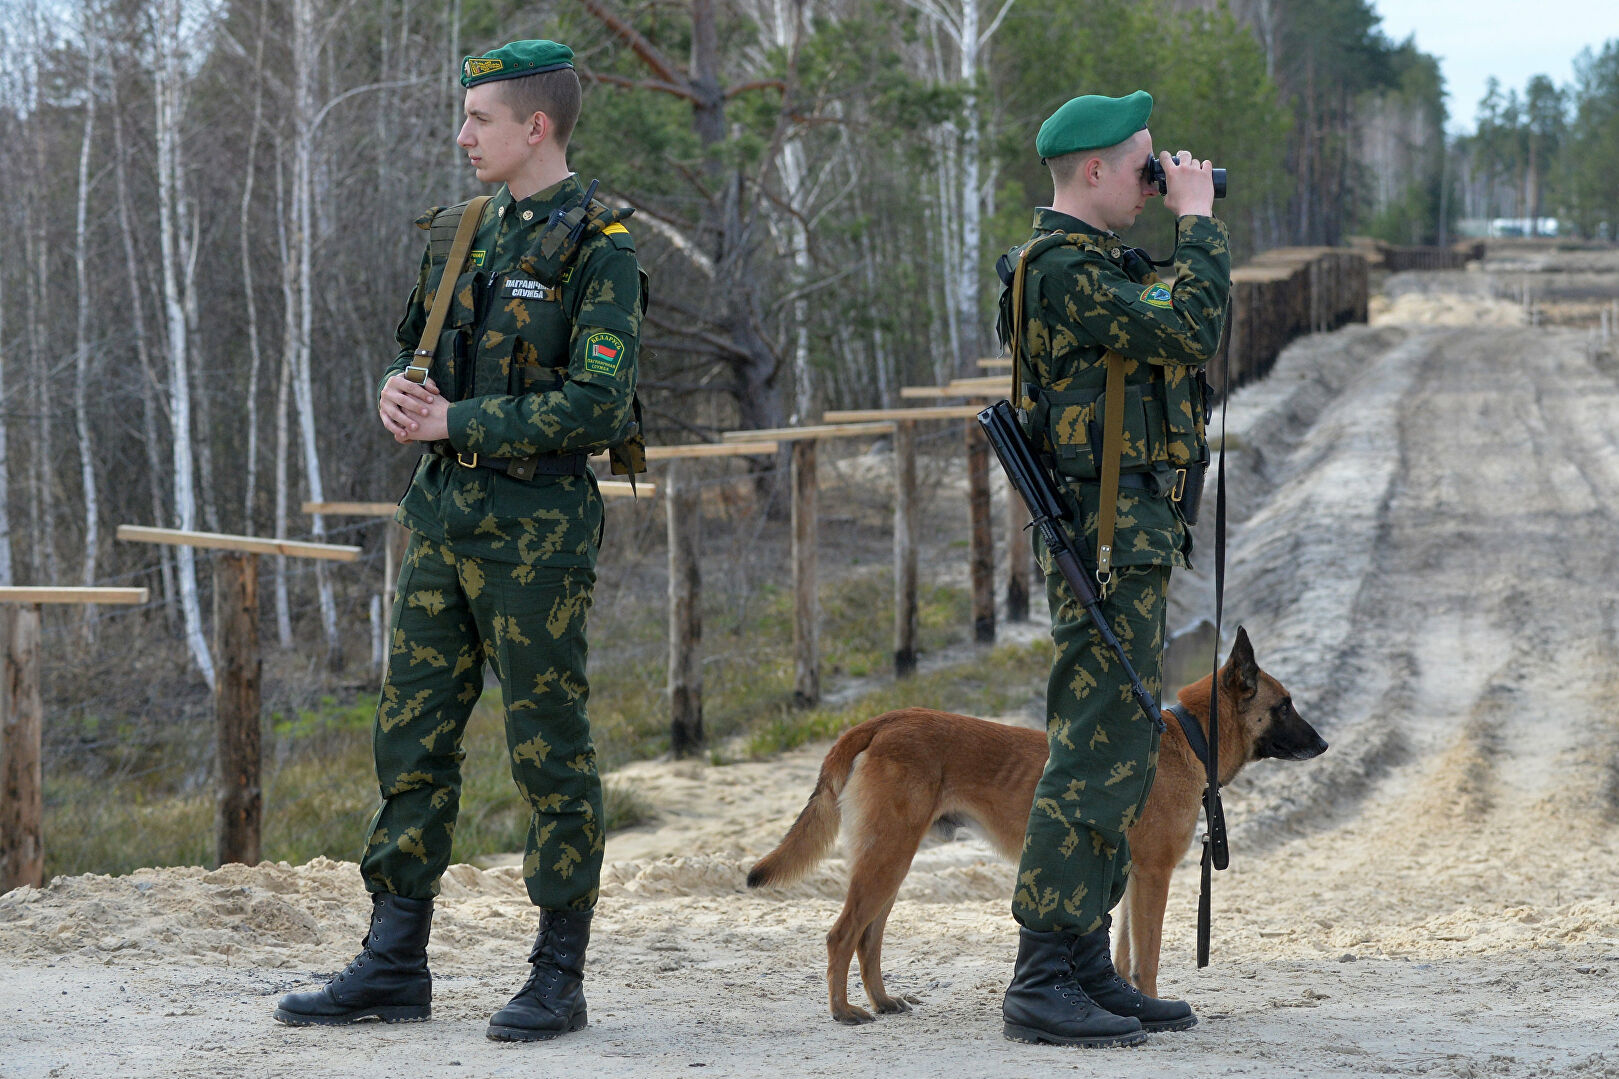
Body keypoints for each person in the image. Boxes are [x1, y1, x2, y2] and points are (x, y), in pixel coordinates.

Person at [274, 38, 644, 1043]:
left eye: (478, 118)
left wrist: (458, 424)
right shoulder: (459, 231)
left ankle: (556, 972)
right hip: (440, 522)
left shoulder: (597, 243)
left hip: (536, 535)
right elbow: (417, 350)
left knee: (547, 747)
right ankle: (394, 958)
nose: (461, 133)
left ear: (536, 126)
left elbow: (598, 406)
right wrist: (399, 392)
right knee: (411, 736)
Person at [994, 90, 1229, 1048]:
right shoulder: (1059, 268)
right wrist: (1200, 224)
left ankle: (1085, 961)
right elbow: (1187, 327)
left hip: (1124, 534)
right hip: (1102, 540)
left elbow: (1163, 320)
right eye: (1143, 166)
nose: (1156, 181)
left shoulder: (1096, 267)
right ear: (1091, 171)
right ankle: (1041, 974)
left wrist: (1181, 225)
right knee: (1091, 751)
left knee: (1121, 750)